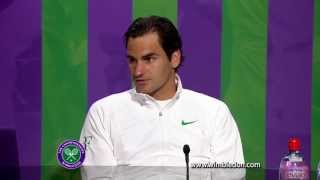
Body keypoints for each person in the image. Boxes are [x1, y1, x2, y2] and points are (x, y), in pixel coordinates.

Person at [80, 16, 244, 167]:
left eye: (149, 59)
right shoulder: (103, 113)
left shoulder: (214, 112)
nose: (137, 71)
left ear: (174, 58)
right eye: (132, 60)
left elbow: (230, 175)